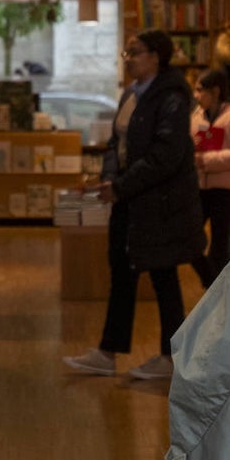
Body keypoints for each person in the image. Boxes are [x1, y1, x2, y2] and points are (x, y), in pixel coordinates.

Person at [63, 29, 204, 380]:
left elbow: (165, 156)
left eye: (135, 53)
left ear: (156, 56)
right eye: (125, 54)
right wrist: (112, 178)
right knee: (123, 275)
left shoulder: (170, 97)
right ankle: (107, 353)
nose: (128, 59)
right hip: (130, 199)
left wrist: (121, 185)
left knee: (163, 277)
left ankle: (171, 358)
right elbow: (115, 144)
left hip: (159, 204)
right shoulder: (131, 93)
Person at [188, 68, 230, 288]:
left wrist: (206, 160)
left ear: (215, 91)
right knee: (189, 237)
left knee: (220, 241)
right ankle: (212, 281)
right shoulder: (196, 116)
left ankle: (219, 290)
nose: (196, 95)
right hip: (198, 186)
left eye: (200, 90)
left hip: (225, 188)